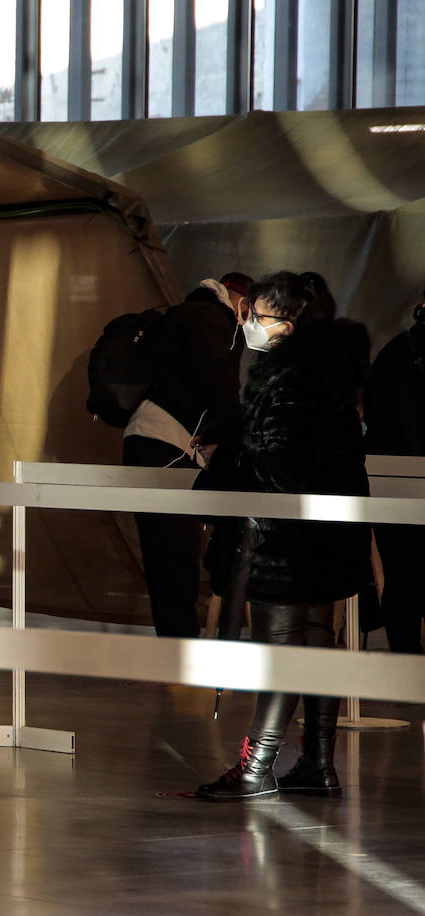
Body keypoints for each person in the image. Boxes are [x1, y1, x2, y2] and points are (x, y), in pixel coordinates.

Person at [196, 271, 371, 801]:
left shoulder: (287, 379)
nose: (248, 322)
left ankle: (256, 766)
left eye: (259, 315)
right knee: (317, 637)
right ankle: (318, 763)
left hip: (283, 538)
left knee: (279, 644)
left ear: (288, 326)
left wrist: (233, 462)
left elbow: (278, 466)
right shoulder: (335, 372)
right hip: (330, 531)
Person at [122, 271, 252, 638]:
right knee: (175, 557)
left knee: (164, 556)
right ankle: (180, 655)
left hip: (148, 439)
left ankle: (175, 650)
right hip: (165, 443)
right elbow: (220, 390)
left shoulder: (187, 313)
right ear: (239, 298)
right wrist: (238, 434)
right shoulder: (214, 321)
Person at [363, 288, 425, 654]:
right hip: (401, 479)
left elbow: (373, 416)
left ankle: (403, 656)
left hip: (391, 483)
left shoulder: (392, 352)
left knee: (400, 574)